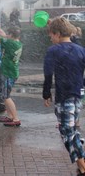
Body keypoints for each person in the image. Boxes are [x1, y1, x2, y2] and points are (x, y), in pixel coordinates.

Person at [42, 17, 85, 176]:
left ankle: (83, 165)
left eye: (51, 35)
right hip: (77, 95)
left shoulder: (53, 50)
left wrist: (46, 93)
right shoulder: (80, 49)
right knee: (70, 129)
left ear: (58, 34)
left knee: (67, 131)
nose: (50, 38)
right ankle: (82, 163)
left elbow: (48, 74)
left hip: (64, 96)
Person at [0, 19, 23, 127]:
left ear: (11, 35)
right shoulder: (16, 42)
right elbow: (2, 33)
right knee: (5, 94)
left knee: (6, 96)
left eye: (8, 34)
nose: (6, 35)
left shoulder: (10, 43)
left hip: (8, 73)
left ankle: (15, 119)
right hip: (11, 72)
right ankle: (10, 116)